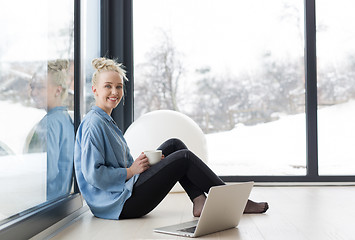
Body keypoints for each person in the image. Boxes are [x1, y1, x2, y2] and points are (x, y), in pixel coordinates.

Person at [74, 57, 269, 220]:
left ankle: (199, 200)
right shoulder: (94, 125)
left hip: (124, 192)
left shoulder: (105, 120)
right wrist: (132, 170)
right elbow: (94, 175)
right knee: (183, 157)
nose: (115, 92)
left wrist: (145, 167)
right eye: (108, 86)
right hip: (119, 204)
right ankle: (235, 202)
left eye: (118, 87)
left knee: (174, 145)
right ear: (95, 90)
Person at [29, 59, 75, 201]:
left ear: (58, 90)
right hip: (59, 202)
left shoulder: (48, 124)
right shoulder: (65, 119)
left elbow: (46, 172)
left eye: (40, 87)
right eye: (32, 86)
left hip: (44, 203)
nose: (34, 92)